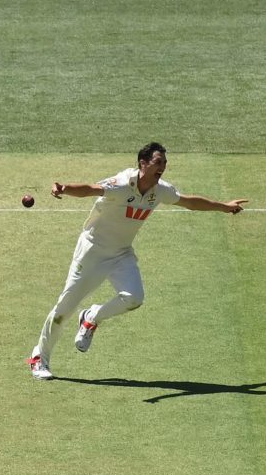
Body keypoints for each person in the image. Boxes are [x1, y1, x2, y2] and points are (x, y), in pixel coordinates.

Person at [27, 142, 248, 380]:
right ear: (142, 163)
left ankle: (91, 317)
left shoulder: (160, 190)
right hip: (92, 251)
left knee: (134, 298)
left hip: (121, 254)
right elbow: (91, 189)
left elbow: (190, 202)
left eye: (165, 163)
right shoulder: (122, 184)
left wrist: (224, 207)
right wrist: (64, 188)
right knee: (65, 309)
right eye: (158, 162)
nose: (162, 167)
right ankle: (39, 357)